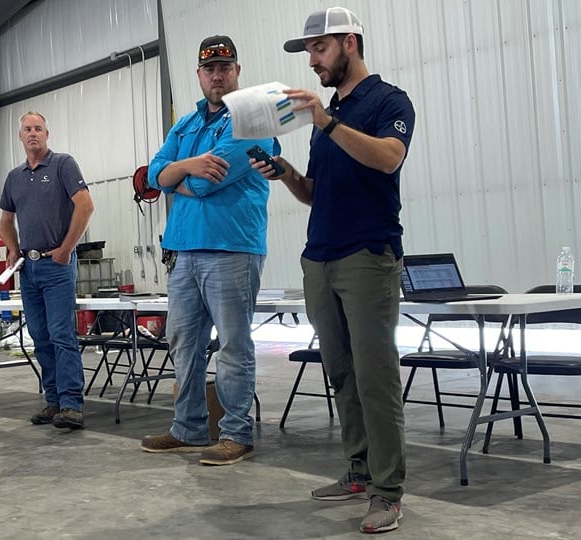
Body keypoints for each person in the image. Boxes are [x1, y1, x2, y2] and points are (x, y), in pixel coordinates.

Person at [257, 7, 416, 533]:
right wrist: (283, 173)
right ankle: (357, 470)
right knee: (342, 374)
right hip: (320, 257)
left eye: (319, 48)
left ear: (350, 42)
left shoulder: (388, 101)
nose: (312, 60)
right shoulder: (323, 122)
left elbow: (389, 158)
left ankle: (387, 491)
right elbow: (316, 194)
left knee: (376, 377)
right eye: (308, 52)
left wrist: (327, 120)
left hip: (367, 255)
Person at [138, 35, 275, 466]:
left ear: (238, 72)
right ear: (199, 75)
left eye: (226, 67)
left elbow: (201, 181)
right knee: (183, 342)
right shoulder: (186, 124)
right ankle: (190, 428)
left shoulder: (253, 121)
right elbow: (154, 174)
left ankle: (236, 433)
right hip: (182, 251)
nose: (218, 75)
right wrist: (184, 169)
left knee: (233, 344)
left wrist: (180, 175)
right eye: (210, 69)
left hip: (230, 249)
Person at [0, 111, 94, 430]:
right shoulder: (14, 177)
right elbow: (5, 220)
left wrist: (67, 248)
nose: (33, 133)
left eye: (38, 128)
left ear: (47, 134)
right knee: (40, 336)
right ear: (20, 136)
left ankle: (71, 404)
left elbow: (85, 206)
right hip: (29, 268)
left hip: (57, 265)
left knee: (61, 333)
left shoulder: (63, 165)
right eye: (27, 129)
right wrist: (12, 248)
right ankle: (54, 401)